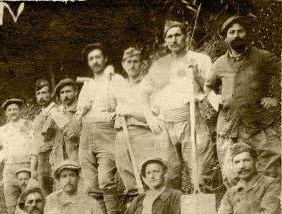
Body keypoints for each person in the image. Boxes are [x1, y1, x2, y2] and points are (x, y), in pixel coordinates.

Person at [139, 21, 218, 192]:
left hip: (191, 121)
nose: (174, 40)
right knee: (168, 177)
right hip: (165, 125)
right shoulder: (159, 65)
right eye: (169, 36)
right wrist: (150, 117)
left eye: (177, 35)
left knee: (200, 176)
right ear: (165, 41)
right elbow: (143, 93)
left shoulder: (201, 59)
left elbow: (211, 90)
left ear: (186, 37)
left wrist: (196, 74)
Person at [205, 15, 281, 187]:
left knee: (269, 172)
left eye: (240, 31)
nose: (236, 35)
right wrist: (214, 98)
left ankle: (269, 210)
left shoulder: (263, 57)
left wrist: (276, 99)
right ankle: (240, 211)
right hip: (229, 128)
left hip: (260, 126)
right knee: (232, 176)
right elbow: (207, 87)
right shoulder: (219, 64)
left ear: (247, 34)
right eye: (232, 32)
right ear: (226, 39)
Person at [74, 43, 127, 214]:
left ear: (105, 59)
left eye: (98, 57)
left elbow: (125, 105)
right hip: (86, 135)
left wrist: (114, 112)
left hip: (107, 132)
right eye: (91, 59)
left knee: (106, 179)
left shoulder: (116, 80)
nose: (95, 61)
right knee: (90, 185)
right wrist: (82, 111)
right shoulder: (87, 85)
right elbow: (77, 118)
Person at [112, 47, 159, 198]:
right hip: (121, 135)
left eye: (135, 62)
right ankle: (136, 211)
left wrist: (130, 111)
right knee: (128, 178)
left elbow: (153, 116)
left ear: (141, 64)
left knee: (148, 176)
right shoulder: (118, 86)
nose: (132, 65)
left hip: (143, 134)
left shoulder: (148, 84)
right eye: (129, 62)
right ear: (123, 64)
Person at [0, 99, 37, 214]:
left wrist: (34, 168)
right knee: (11, 206)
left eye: (15, 109)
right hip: (9, 170)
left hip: (26, 167)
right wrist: (0, 156)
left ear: (19, 111)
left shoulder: (29, 125)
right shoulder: (2, 130)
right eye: (9, 110)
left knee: (30, 202)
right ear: (6, 113)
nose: (12, 112)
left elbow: (36, 144)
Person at [49, 78, 80, 170]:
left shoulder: (82, 110)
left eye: (68, 91)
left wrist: (58, 118)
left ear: (76, 92)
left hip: (77, 159)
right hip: (59, 160)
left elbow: (76, 136)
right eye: (62, 93)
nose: (65, 95)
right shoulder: (56, 112)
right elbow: (49, 138)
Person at [32, 79, 57, 194]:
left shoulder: (59, 111)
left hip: (57, 157)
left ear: (51, 94)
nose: (41, 96)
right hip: (42, 161)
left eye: (44, 93)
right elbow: (35, 144)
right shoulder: (37, 119)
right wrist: (33, 168)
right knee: (45, 195)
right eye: (38, 94)